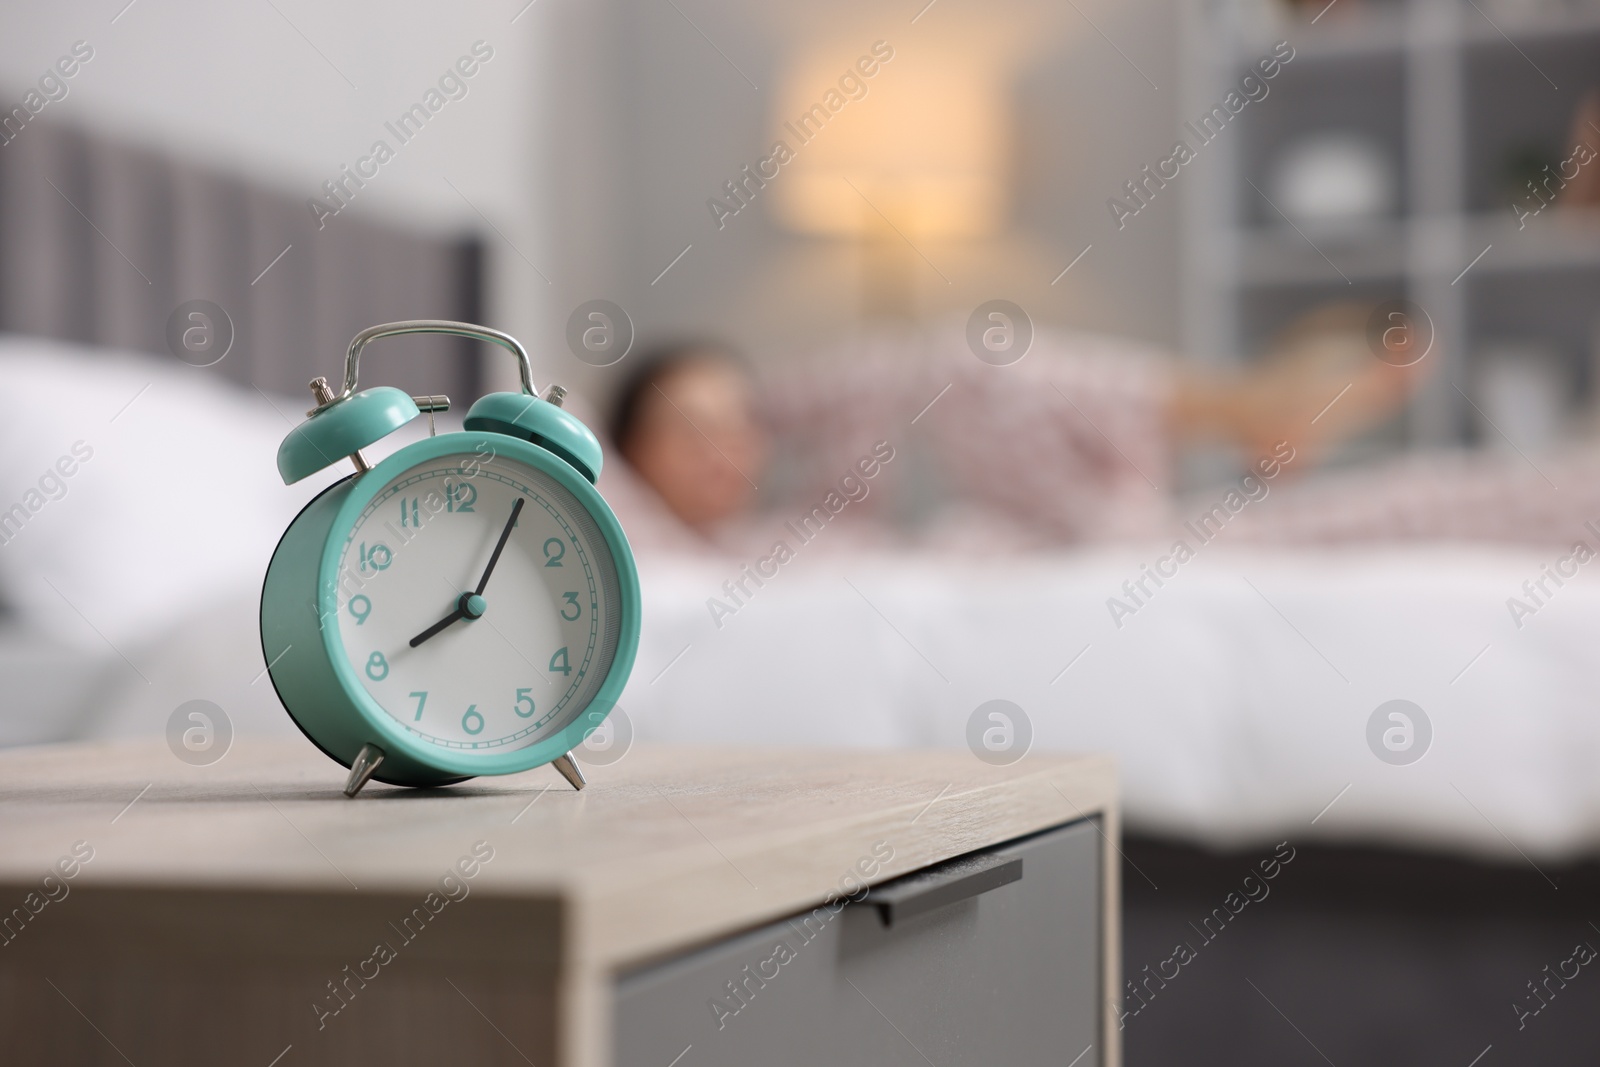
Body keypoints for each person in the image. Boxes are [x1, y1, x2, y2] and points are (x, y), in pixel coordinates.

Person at [596, 310, 1532, 557]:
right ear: (632, 459)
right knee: (961, 359)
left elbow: (875, 376)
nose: (727, 450)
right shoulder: (674, 561)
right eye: (689, 431)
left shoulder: (808, 515)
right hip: (1055, 542)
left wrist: (773, 407)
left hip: (1044, 527)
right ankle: (1244, 406)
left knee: (958, 360)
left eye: (743, 424)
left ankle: (1245, 406)